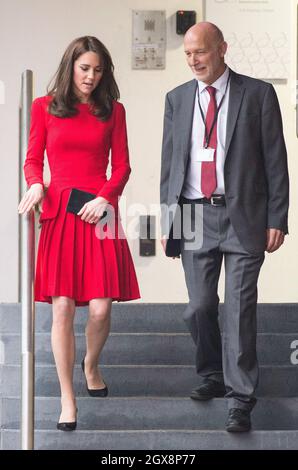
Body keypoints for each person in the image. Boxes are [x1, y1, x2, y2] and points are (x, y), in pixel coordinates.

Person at [160, 22, 289, 432]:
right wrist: (169, 217)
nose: (193, 60)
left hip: (244, 217)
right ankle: (212, 374)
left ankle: (241, 399)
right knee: (199, 306)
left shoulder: (258, 94)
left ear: (221, 49)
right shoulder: (177, 99)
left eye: (200, 51)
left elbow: (275, 160)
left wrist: (278, 217)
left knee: (238, 308)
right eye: (187, 54)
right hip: (194, 214)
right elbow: (170, 165)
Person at [18, 36, 140, 431]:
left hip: (100, 211)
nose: (91, 76)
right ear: (71, 66)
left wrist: (105, 199)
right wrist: (36, 183)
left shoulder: (113, 111)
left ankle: (90, 363)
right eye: (85, 68)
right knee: (62, 308)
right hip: (59, 211)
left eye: (98, 69)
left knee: (102, 307)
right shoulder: (44, 107)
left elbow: (121, 167)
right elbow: (33, 158)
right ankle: (68, 399)